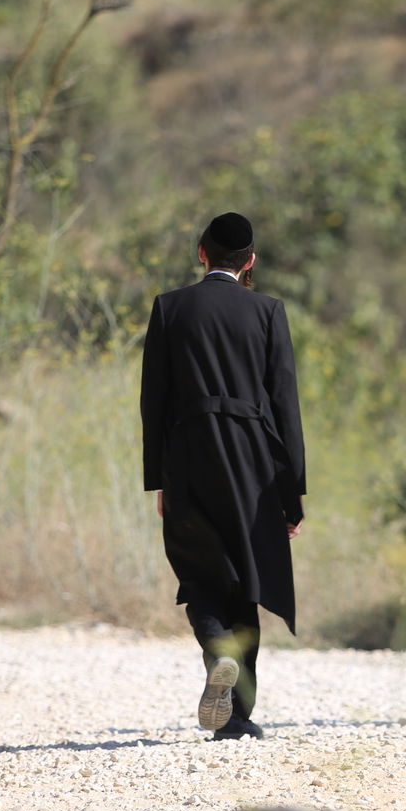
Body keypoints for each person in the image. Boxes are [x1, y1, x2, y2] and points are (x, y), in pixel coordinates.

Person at [140, 212, 306, 741]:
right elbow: (285, 406)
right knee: (247, 580)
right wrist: (292, 490)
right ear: (250, 262)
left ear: (201, 252)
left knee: (200, 571)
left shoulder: (170, 307)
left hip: (189, 452)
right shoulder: (267, 311)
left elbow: (154, 402)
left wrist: (159, 477)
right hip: (253, 460)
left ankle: (218, 655)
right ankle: (238, 716)